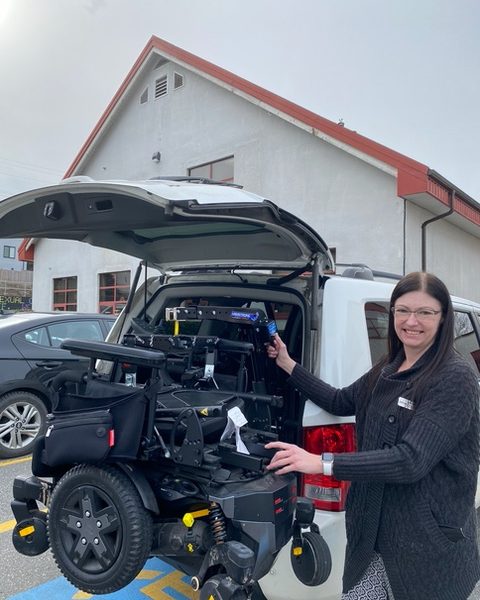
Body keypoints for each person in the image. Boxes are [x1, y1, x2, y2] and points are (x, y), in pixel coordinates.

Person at [265, 271, 480, 600]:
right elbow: (340, 400)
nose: (412, 321)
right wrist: (288, 364)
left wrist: (321, 462)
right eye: (403, 310)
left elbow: (411, 460)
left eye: (425, 312)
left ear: (443, 317)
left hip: (424, 543)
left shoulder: (455, 376)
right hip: (373, 534)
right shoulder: (389, 366)